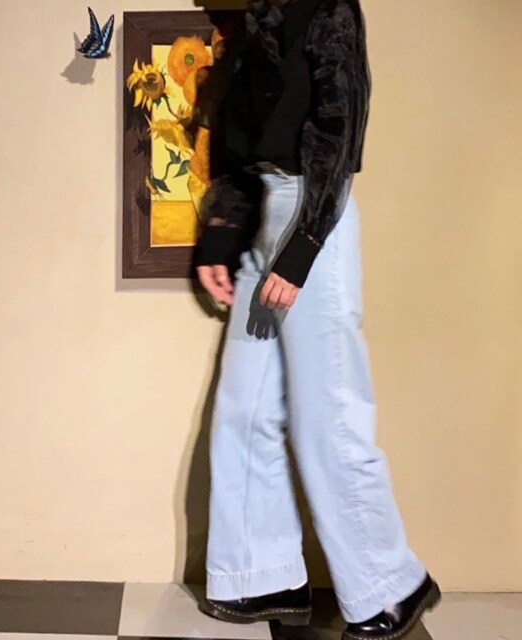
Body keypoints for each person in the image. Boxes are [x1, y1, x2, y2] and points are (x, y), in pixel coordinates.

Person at [191, 1, 441, 639]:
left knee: (327, 413)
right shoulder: (246, 31)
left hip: (315, 216)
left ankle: (390, 584)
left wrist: (303, 247)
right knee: (244, 409)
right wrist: (219, 238)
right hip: (265, 216)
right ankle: (262, 573)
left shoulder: (327, 7)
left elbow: (340, 126)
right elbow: (238, 156)